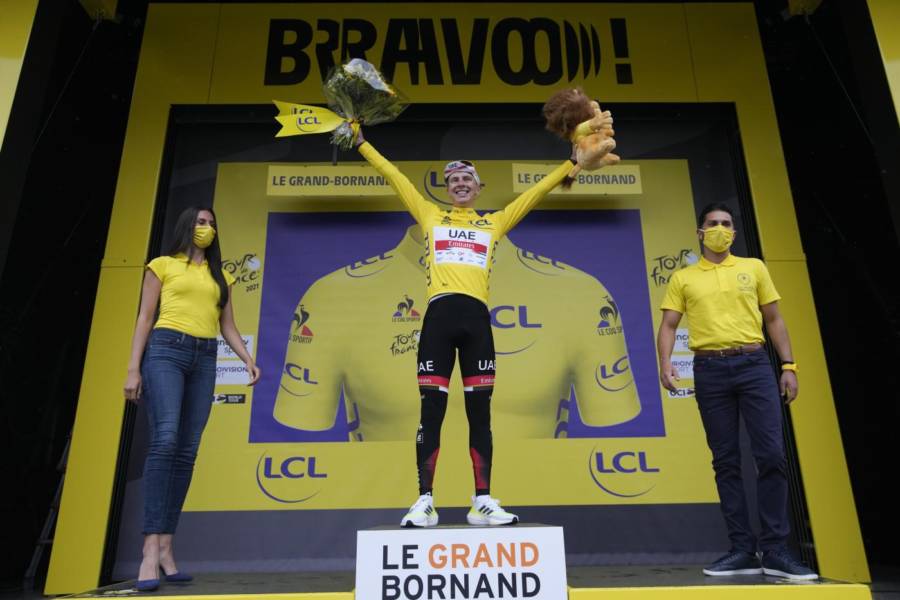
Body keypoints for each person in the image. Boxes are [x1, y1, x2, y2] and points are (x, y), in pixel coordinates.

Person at [352, 116, 614, 527]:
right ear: (446, 188)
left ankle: (483, 501)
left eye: (466, 180)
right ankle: (424, 501)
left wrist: (572, 163)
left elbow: (535, 193)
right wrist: (361, 143)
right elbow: (395, 177)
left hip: (476, 321)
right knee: (431, 412)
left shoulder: (494, 223)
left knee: (480, 415)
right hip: (438, 319)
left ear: (477, 188)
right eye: (453, 180)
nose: (459, 184)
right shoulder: (430, 216)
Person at [272, 225, 641, 440]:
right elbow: (303, 430)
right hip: (390, 506)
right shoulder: (332, 295)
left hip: (533, 506)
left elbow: (612, 426)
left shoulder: (580, 291)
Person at [656, 202, 817, 580]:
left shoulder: (754, 267)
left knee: (771, 455)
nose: (720, 228)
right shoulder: (683, 277)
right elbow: (668, 326)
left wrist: (789, 366)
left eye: (726, 223)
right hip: (709, 369)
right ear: (700, 232)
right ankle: (742, 549)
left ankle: (775, 550)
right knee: (726, 461)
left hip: (754, 365)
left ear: (734, 232)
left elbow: (774, 319)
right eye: (713, 223)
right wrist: (665, 363)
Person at [123, 207, 261, 590]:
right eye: (201, 222)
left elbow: (227, 325)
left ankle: (167, 547)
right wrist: (133, 368)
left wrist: (248, 359)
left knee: (187, 451)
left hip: (205, 356)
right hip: (166, 349)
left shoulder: (221, 275)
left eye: (212, 224)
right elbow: (145, 317)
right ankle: (150, 549)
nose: (207, 229)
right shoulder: (163, 265)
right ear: (187, 225)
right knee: (166, 439)